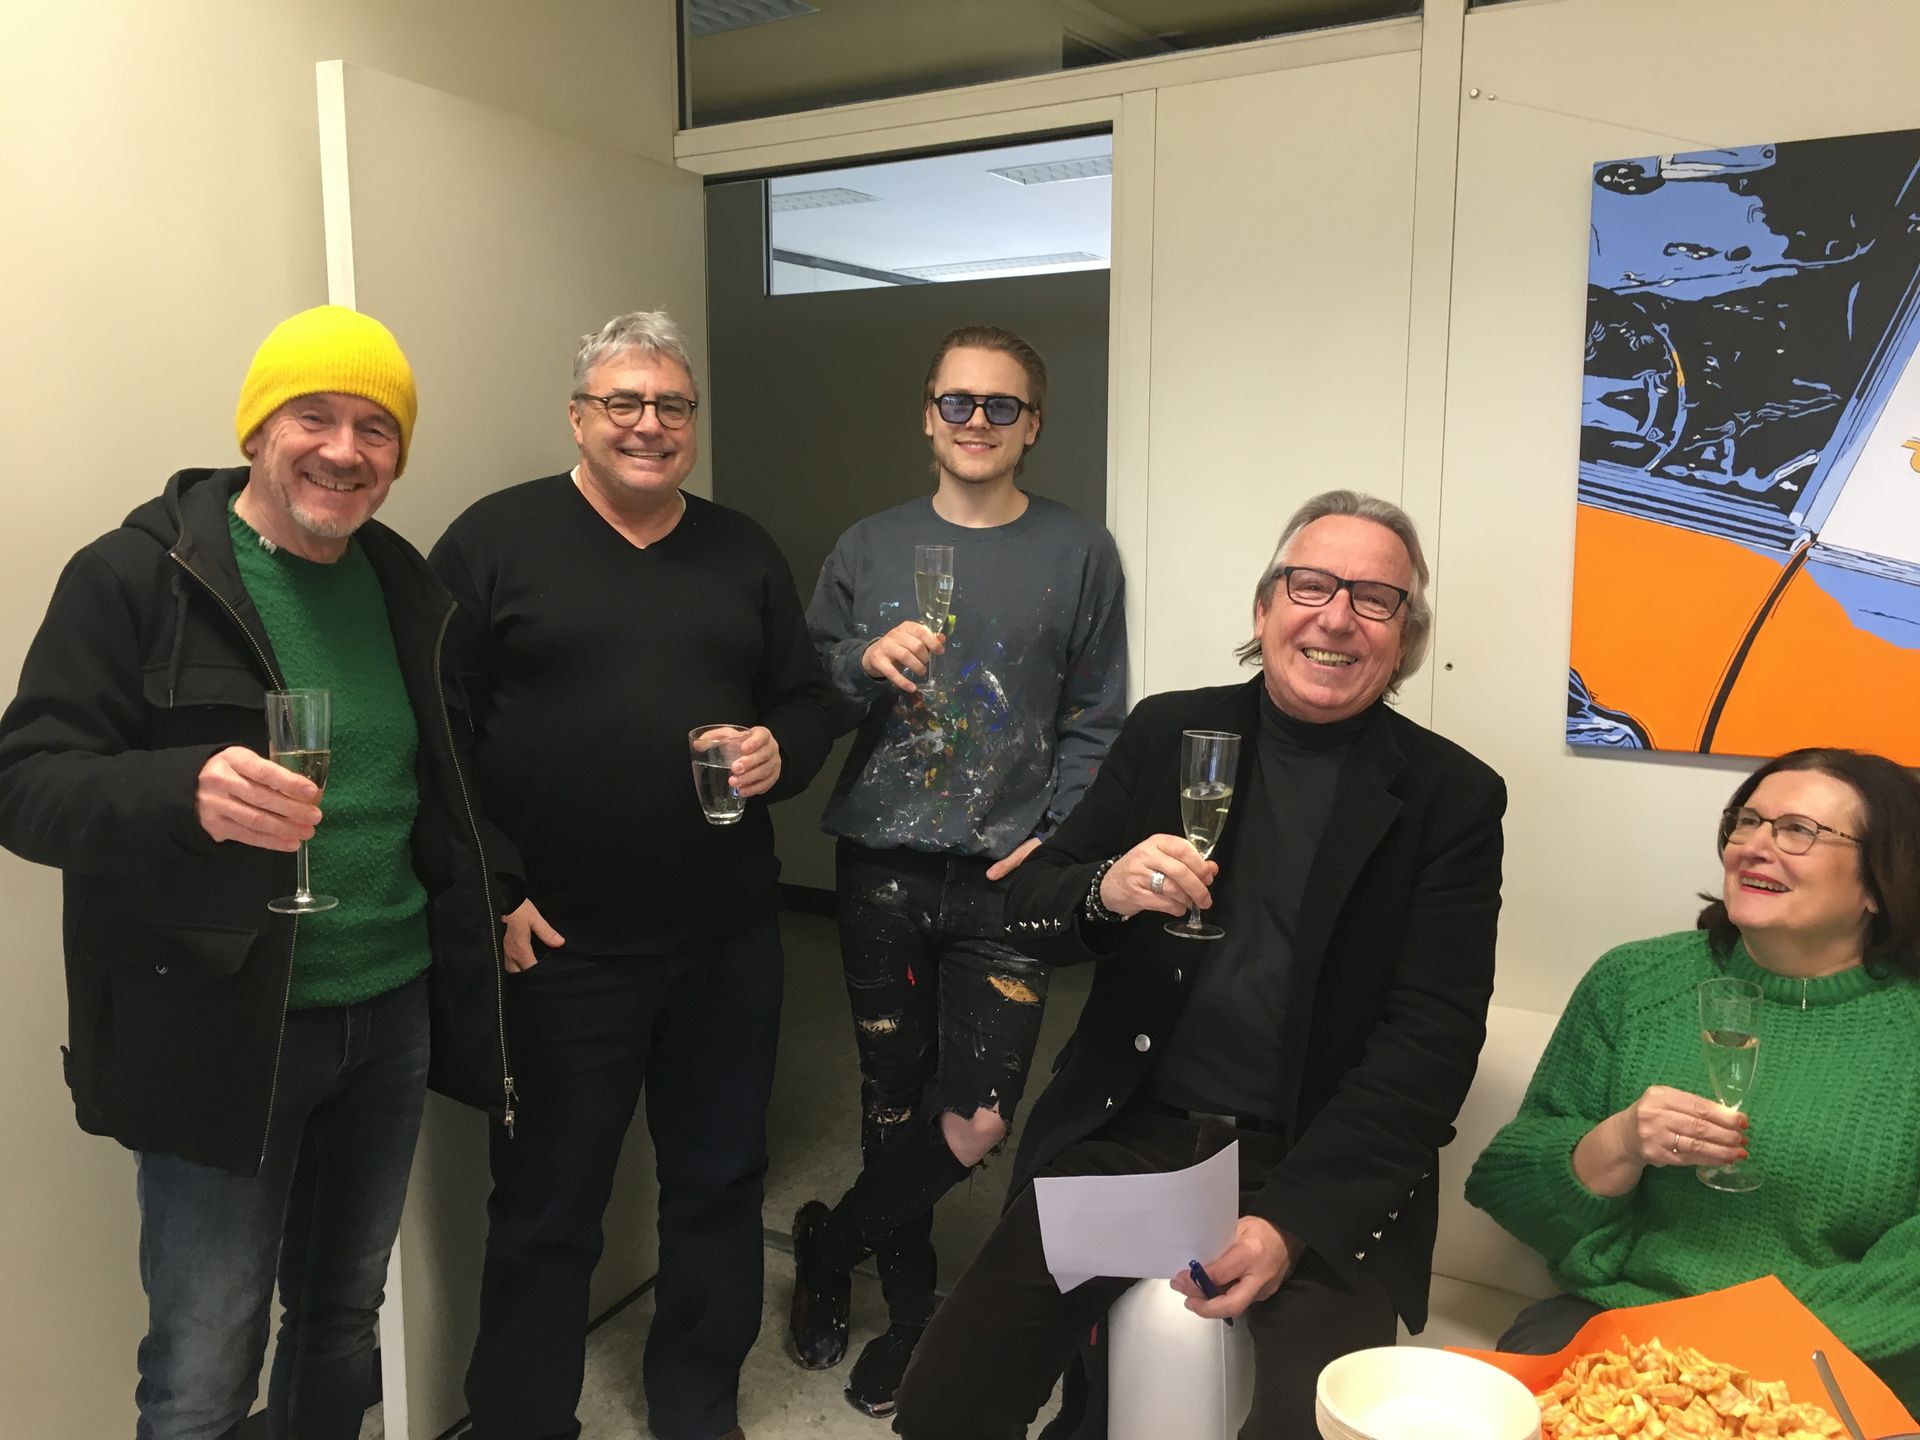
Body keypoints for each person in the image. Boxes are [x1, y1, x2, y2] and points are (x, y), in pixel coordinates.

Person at [888, 489, 1507, 1438]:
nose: (1337, 616)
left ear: (1405, 638)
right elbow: (1032, 908)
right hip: (1132, 1136)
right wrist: (1106, 891)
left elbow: (1433, 1041)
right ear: (1265, 609)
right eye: (1311, 585)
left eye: (1375, 598)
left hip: (1314, 1156)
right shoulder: (1167, 733)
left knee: (1319, 1426)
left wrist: (1292, 1221)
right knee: (947, 1403)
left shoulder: (1451, 797)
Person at [0, 305, 515, 1440]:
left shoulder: (404, 585)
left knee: (341, 1322)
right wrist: (178, 791)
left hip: (389, 1012)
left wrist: (494, 897)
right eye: (312, 416)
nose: (344, 449)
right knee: (204, 1368)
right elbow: (24, 783)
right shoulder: (138, 575)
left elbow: (444, 784)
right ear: (255, 431)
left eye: (376, 428)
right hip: (224, 1025)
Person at [436, 309, 833, 1440]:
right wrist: (492, 890)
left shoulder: (742, 549)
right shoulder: (495, 540)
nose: (649, 425)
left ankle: (695, 1407)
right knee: (547, 1207)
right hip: (561, 946)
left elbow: (806, 697)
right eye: (624, 402)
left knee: (720, 1186)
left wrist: (783, 749)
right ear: (578, 416)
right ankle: (521, 1422)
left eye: (671, 406)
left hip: (729, 939)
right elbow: (436, 733)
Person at [792, 325, 1128, 1416]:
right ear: (926, 415)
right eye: (957, 402)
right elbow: (807, 691)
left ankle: (831, 1240)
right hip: (881, 866)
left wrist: (1062, 834)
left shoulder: (1080, 551)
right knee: (891, 1100)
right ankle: (910, 1316)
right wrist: (861, 661)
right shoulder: (868, 545)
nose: (976, 422)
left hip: (1004, 878)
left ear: (1033, 426)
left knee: (977, 1118)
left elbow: (1097, 715)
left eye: (1001, 405)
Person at [1466, 747, 1920, 1408]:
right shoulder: (1633, 983)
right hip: (1621, 1328)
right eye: (1747, 822)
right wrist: (1619, 1142)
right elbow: (1511, 1188)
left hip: (1836, 1355)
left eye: (1797, 831)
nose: (1753, 847)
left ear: (1880, 880)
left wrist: (1724, 1346)